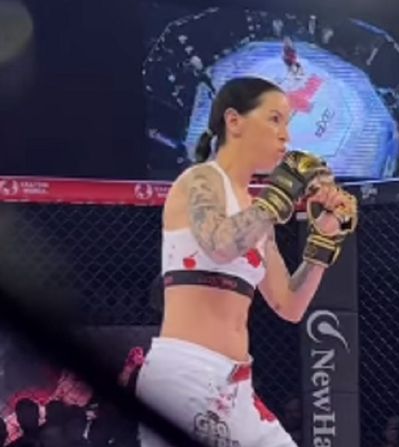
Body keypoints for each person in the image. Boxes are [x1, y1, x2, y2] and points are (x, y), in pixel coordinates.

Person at [135, 76, 358, 447]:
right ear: (234, 121)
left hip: (237, 385)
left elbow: (289, 305)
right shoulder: (200, 181)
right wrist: (281, 192)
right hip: (184, 377)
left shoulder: (258, 213)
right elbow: (220, 245)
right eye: (274, 119)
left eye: (287, 123)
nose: (285, 135)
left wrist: (323, 239)